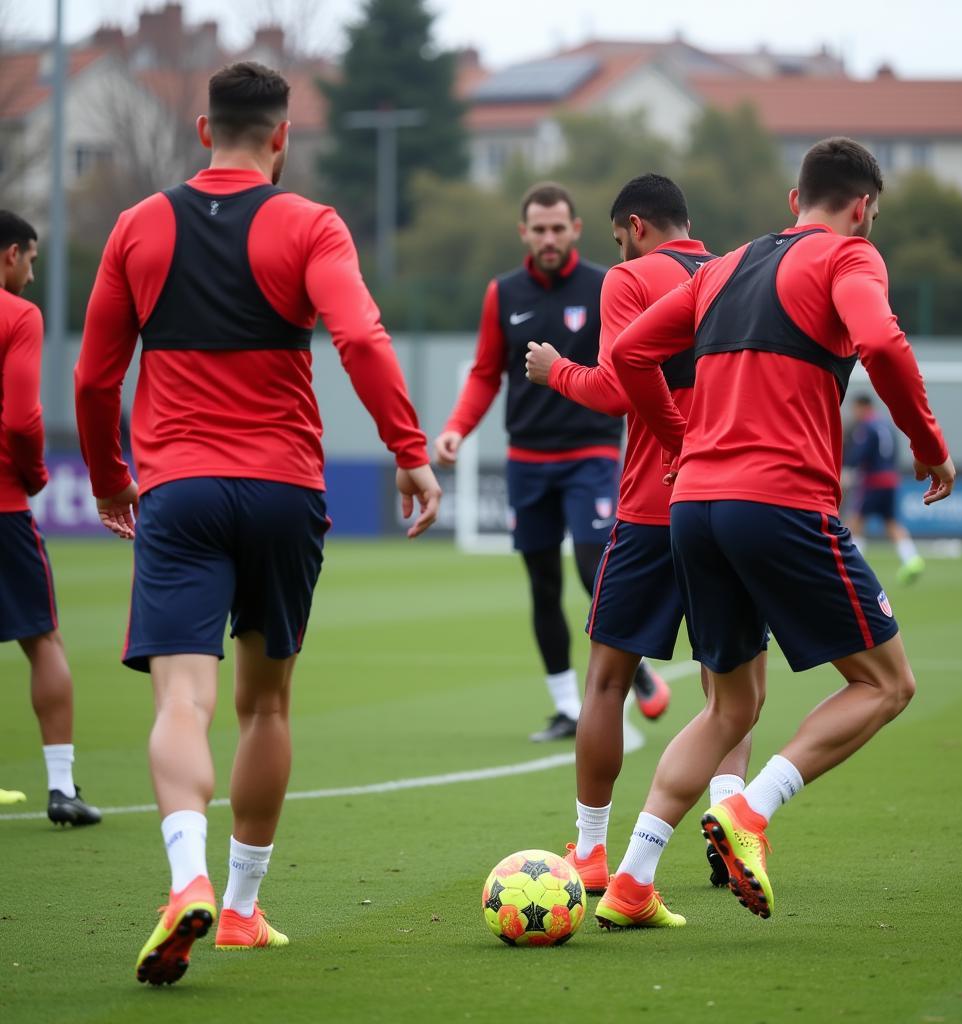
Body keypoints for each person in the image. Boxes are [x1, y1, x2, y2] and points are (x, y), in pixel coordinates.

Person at [74, 62, 441, 986]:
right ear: (282, 137)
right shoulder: (309, 222)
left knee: (181, 701)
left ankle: (185, 876)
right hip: (283, 489)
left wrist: (112, 478)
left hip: (181, 491)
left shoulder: (137, 227)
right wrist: (409, 448)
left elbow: (93, 378)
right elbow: (360, 338)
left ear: (204, 129)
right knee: (266, 702)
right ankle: (238, 908)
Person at [603, 137, 954, 926]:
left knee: (731, 706)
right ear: (863, 208)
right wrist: (929, 446)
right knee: (887, 684)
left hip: (693, 508)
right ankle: (751, 811)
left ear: (795, 200)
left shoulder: (722, 266)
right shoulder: (850, 258)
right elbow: (884, 344)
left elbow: (628, 354)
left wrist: (679, 441)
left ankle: (630, 882)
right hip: (781, 503)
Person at [525, 174, 761, 904]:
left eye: (615, 235)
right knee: (734, 688)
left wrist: (552, 370)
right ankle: (732, 828)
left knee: (607, 679)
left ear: (633, 226)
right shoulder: (737, 276)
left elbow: (618, 384)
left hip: (655, 506)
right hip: (731, 500)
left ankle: (592, 852)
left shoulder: (628, 279)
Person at [435, 183, 665, 742]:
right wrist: (456, 430)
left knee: (594, 570)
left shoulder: (607, 284)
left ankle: (632, 674)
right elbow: (487, 373)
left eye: (558, 228)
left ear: (576, 230)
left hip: (590, 453)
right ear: (524, 234)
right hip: (526, 460)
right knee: (541, 585)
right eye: (538, 229)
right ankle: (566, 705)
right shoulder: (503, 294)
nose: (548, 238)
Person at [0, 210, 101, 828]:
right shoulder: (18, 316)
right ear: (11, 253)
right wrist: (35, 475)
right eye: (32, 261)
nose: (33, 276)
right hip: (3, 503)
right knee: (43, 639)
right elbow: (21, 418)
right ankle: (61, 788)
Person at [845, 394, 925, 583]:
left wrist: (847, 468)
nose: (854, 414)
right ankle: (912, 559)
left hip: (872, 481)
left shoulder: (866, 427)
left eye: (855, 409)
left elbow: (860, 453)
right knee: (891, 522)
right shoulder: (887, 426)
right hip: (890, 479)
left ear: (862, 407)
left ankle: (854, 565)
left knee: (855, 520)